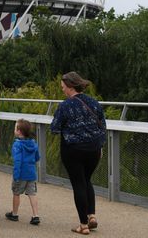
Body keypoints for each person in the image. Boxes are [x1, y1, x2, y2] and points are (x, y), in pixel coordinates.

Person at [50, 72, 106, 235]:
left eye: (63, 87)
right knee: (86, 180)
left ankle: (83, 225)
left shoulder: (65, 105)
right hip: (94, 149)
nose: (62, 90)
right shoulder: (94, 102)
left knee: (78, 184)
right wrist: (99, 145)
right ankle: (92, 216)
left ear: (70, 86)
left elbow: (54, 128)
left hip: (73, 150)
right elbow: (102, 125)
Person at [5, 119, 41, 226]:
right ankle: (35, 215)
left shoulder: (17, 145)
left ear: (19, 131)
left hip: (21, 174)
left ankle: (14, 214)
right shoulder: (33, 143)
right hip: (31, 173)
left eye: (15, 128)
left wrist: (16, 175)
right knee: (32, 193)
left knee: (16, 193)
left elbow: (17, 161)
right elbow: (37, 157)